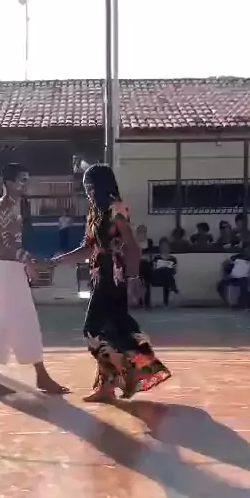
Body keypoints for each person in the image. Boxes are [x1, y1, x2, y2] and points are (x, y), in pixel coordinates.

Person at [53, 163, 170, 402]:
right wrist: (58, 261)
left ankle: (125, 370)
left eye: (90, 187)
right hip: (99, 275)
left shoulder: (117, 210)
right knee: (112, 329)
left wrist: (134, 278)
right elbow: (88, 248)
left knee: (92, 330)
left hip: (114, 278)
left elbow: (132, 246)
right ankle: (107, 387)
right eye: (86, 188)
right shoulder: (94, 213)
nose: (88, 192)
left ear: (101, 186)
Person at [0, 163, 67, 398]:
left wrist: (27, 263)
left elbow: (10, 245)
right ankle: (36, 376)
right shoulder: (3, 208)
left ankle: (1, 378)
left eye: (27, 179)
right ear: (9, 182)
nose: (25, 184)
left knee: (13, 321)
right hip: (7, 270)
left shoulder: (12, 207)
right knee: (13, 321)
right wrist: (29, 261)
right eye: (22, 180)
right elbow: (5, 244)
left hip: (10, 270)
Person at [217, 244, 250, 309]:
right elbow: (226, 265)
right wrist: (226, 274)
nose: (247, 252)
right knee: (220, 285)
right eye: (245, 250)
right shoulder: (235, 257)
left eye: (249, 250)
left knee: (244, 285)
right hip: (232, 277)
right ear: (242, 250)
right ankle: (227, 302)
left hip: (244, 278)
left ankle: (244, 304)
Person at [151, 237, 179, 307]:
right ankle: (173, 287)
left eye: (166, 246)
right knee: (166, 271)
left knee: (167, 274)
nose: (164, 248)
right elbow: (153, 269)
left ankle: (166, 302)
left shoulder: (173, 259)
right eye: (163, 246)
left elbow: (174, 271)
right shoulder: (156, 258)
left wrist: (167, 269)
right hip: (157, 277)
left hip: (167, 278)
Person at [136, 224, 154, 309]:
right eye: (140, 232)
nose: (142, 234)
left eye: (143, 232)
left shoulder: (149, 242)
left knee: (147, 282)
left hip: (147, 264)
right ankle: (140, 301)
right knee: (140, 281)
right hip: (138, 265)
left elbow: (150, 254)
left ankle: (147, 302)